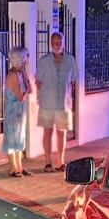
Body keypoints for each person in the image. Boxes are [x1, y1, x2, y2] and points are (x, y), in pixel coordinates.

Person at [36, 31, 77, 172]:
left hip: (64, 104)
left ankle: (60, 162)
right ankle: (48, 162)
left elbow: (73, 81)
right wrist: (42, 97)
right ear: (51, 43)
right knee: (47, 132)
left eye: (60, 41)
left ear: (63, 43)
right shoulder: (44, 61)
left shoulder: (70, 60)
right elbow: (38, 82)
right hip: (47, 104)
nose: (57, 44)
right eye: (55, 42)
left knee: (62, 133)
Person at [3, 47, 31, 177]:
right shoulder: (12, 76)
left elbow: (29, 90)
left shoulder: (20, 73)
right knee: (12, 139)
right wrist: (26, 88)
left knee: (19, 139)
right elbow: (21, 96)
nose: (27, 59)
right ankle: (13, 168)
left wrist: (25, 76)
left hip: (20, 111)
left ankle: (19, 166)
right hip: (13, 111)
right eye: (25, 57)